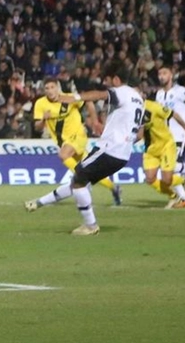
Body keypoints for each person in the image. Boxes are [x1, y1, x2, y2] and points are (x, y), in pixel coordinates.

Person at [25, 61, 144, 236]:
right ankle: (39, 203)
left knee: (79, 178)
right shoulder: (138, 98)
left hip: (109, 149)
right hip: (123, 153)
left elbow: (98, 95)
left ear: (117, 80)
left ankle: (90, 225)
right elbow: (139, 133)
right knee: (79, 180)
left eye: (109, 80)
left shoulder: (122, 92)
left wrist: (76, 97)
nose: (107, 84)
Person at [33, 79, 121, 205]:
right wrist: (43, 120)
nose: (50, 90)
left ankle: (81, 179)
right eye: (47, 88)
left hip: (78, 135)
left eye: (52, 87)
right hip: (63, 141)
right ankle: (113, 188)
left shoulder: (69, 98)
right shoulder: (40, 104)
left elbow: (88, 102)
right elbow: (37, 127)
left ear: (58, 87)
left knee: (63, 155)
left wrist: (95, 121)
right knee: (90, 169)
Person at [140, 99, 185, 209]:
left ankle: (183, 180)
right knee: (150, 179)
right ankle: (173, 195)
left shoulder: (154, 107)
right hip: (151, 150)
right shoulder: (131, 110)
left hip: (166, 145)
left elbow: (174, 114)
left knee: (167, 179)